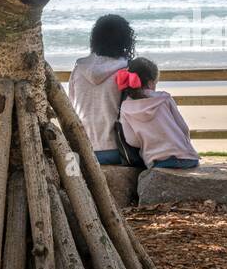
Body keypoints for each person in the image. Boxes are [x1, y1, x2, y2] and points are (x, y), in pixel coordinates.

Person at [69, 14, 136, 164]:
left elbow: (71, 108)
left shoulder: (78, 70)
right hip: (117, 150)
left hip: (82, 150)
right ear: (125, 40)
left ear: (95, 39)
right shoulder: (127, 70)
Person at [117, 57, 200, 169]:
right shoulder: (164, 98)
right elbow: (183, 128)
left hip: (158, 161)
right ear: (151, 83)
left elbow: (132, 141)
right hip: (188, 158)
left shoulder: (125, 107)